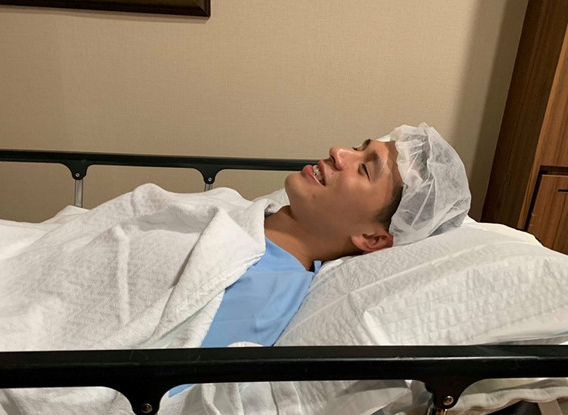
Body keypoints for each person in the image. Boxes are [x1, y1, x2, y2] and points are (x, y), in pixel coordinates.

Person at [170, 123, 471, 394]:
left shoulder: (266, 293)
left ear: (373, 238)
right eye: (357, 148)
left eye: (364, 169)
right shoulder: (234, 208)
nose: (338, 152)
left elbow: (165, 384)